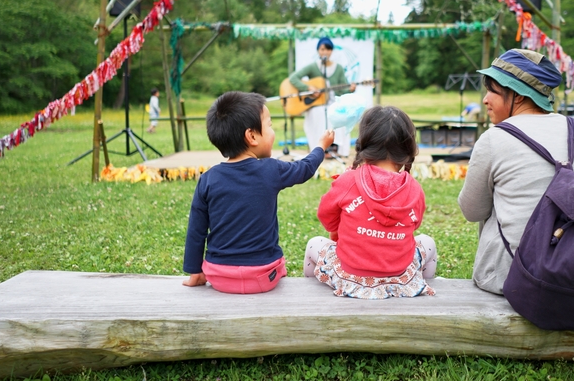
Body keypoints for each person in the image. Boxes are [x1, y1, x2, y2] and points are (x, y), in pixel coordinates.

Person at [457, 49, 574, 295]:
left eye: (492, 91)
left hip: (519, 278)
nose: (485, 100)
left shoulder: (495, 137)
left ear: (517, 94)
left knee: (490, 203)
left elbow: (471, 211)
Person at [183, 91, 335, 294]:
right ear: (252, 136)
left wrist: (195, 271)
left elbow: (196, 230)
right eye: (270, 125)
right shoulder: (271, 169)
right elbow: (305, 168)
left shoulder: (208, 179)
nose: (273, 131)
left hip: (219, 277)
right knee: (278, 263)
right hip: (264, 277)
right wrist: (320, 146)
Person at [304, 105, 437, 299]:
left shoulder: (348, 180)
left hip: (352, 279)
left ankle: (309, 291)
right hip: (399, 277)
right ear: (408, 149)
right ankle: (417, 284)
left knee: (314, 244)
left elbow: (327, 219)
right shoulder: (415, 188)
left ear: (364, 144)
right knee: (428, 242)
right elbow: (414, 225)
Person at [288, 37, 356, 157]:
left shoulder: (338, 68)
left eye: (328, 49)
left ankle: (334, 148)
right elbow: (293, 78)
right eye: (322, 49)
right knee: (318, 113)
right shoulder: (313, 67)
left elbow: (342, 90)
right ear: (318, 51)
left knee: (338, 113)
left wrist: (350, 89)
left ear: (331, 51)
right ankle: (319, 149)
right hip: (317, 104)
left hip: (333, 102)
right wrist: (308, 88)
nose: (325, 52)